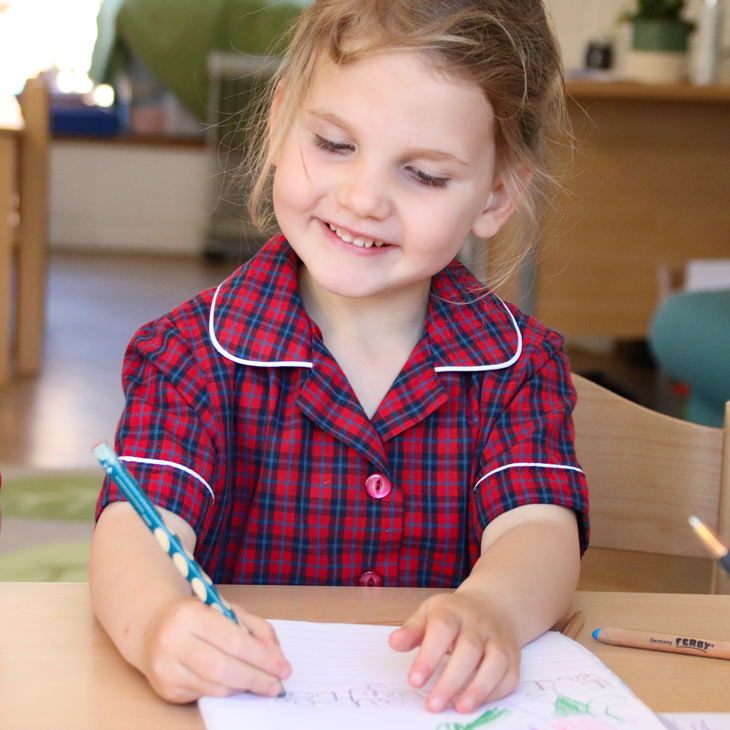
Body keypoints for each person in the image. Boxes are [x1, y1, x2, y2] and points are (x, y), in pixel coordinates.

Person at [90, 0, 589, 715]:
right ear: (279, 123)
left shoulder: (519, 365)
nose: (362, 199)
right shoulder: (189, 355)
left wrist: (495, 608)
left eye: (424, 174)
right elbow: (136, 531)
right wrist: (157, 626)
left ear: (497, 194)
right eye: (332, 144)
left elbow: (538, 527)